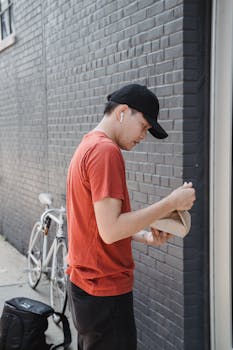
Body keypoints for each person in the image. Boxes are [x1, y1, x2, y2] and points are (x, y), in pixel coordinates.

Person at [66, 84, 196, 350]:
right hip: (105, 292)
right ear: (123, 112)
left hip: (87, 288)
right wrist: (171, 202)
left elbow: (96, 224)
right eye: (145, 127)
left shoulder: (88, 144)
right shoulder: (105, 152)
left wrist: (144, 237)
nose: (143, 137)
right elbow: (111, 230)